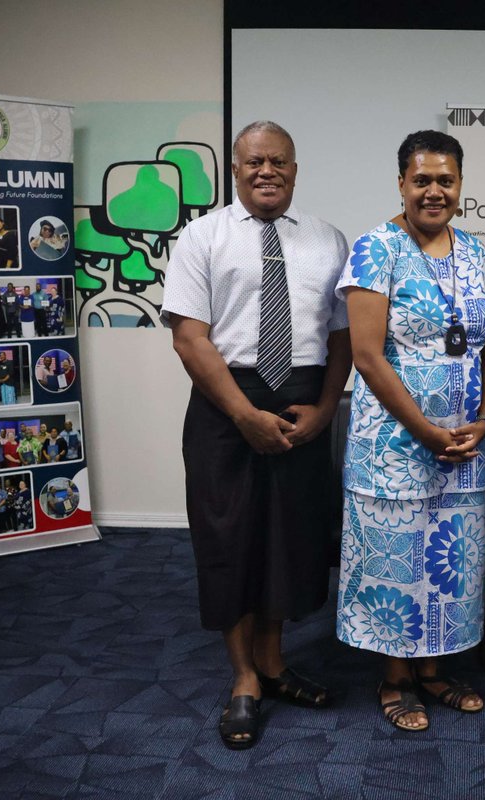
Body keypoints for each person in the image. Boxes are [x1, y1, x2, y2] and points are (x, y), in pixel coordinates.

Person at [162, 120, 352, 751]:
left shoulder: (329, 240)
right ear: (235, 169)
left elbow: (342, 338)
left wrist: (326, 410)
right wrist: (243, 413)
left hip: (302, 403)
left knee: (288, 542)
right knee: (228, 540)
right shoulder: (201, 237)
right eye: (253, 162)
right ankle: (243, 677)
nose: (266, 171)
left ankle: (273, 663)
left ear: (295, 168)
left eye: (279, 162)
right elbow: (190, 337)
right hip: (225, 407)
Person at [335, 130, 485, 732]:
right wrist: (425, 430)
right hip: (395, 444)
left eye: (446, 180)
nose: (434, 191)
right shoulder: (375, 249)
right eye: (422, 180)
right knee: (397, 560)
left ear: (460, 186)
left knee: (449, 558)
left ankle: (435, 671)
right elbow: (367, 356)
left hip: (464, 445)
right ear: (401, 183)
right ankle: (396, 678)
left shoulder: (478, 254)